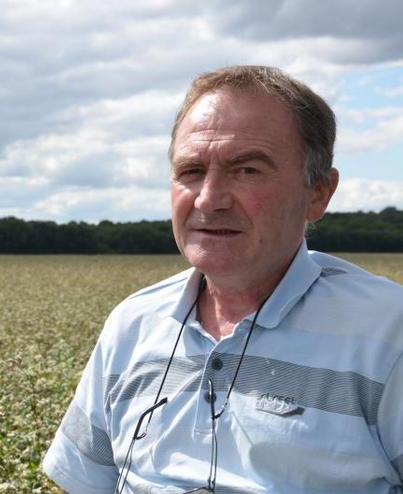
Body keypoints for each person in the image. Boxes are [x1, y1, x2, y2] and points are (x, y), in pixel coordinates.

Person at [42, 65, 403, 493]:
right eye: (191, 171)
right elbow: (84, 482)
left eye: (247, 170)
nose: (210, 199)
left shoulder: (387, 333)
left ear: (318, 192)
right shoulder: (134, 324)